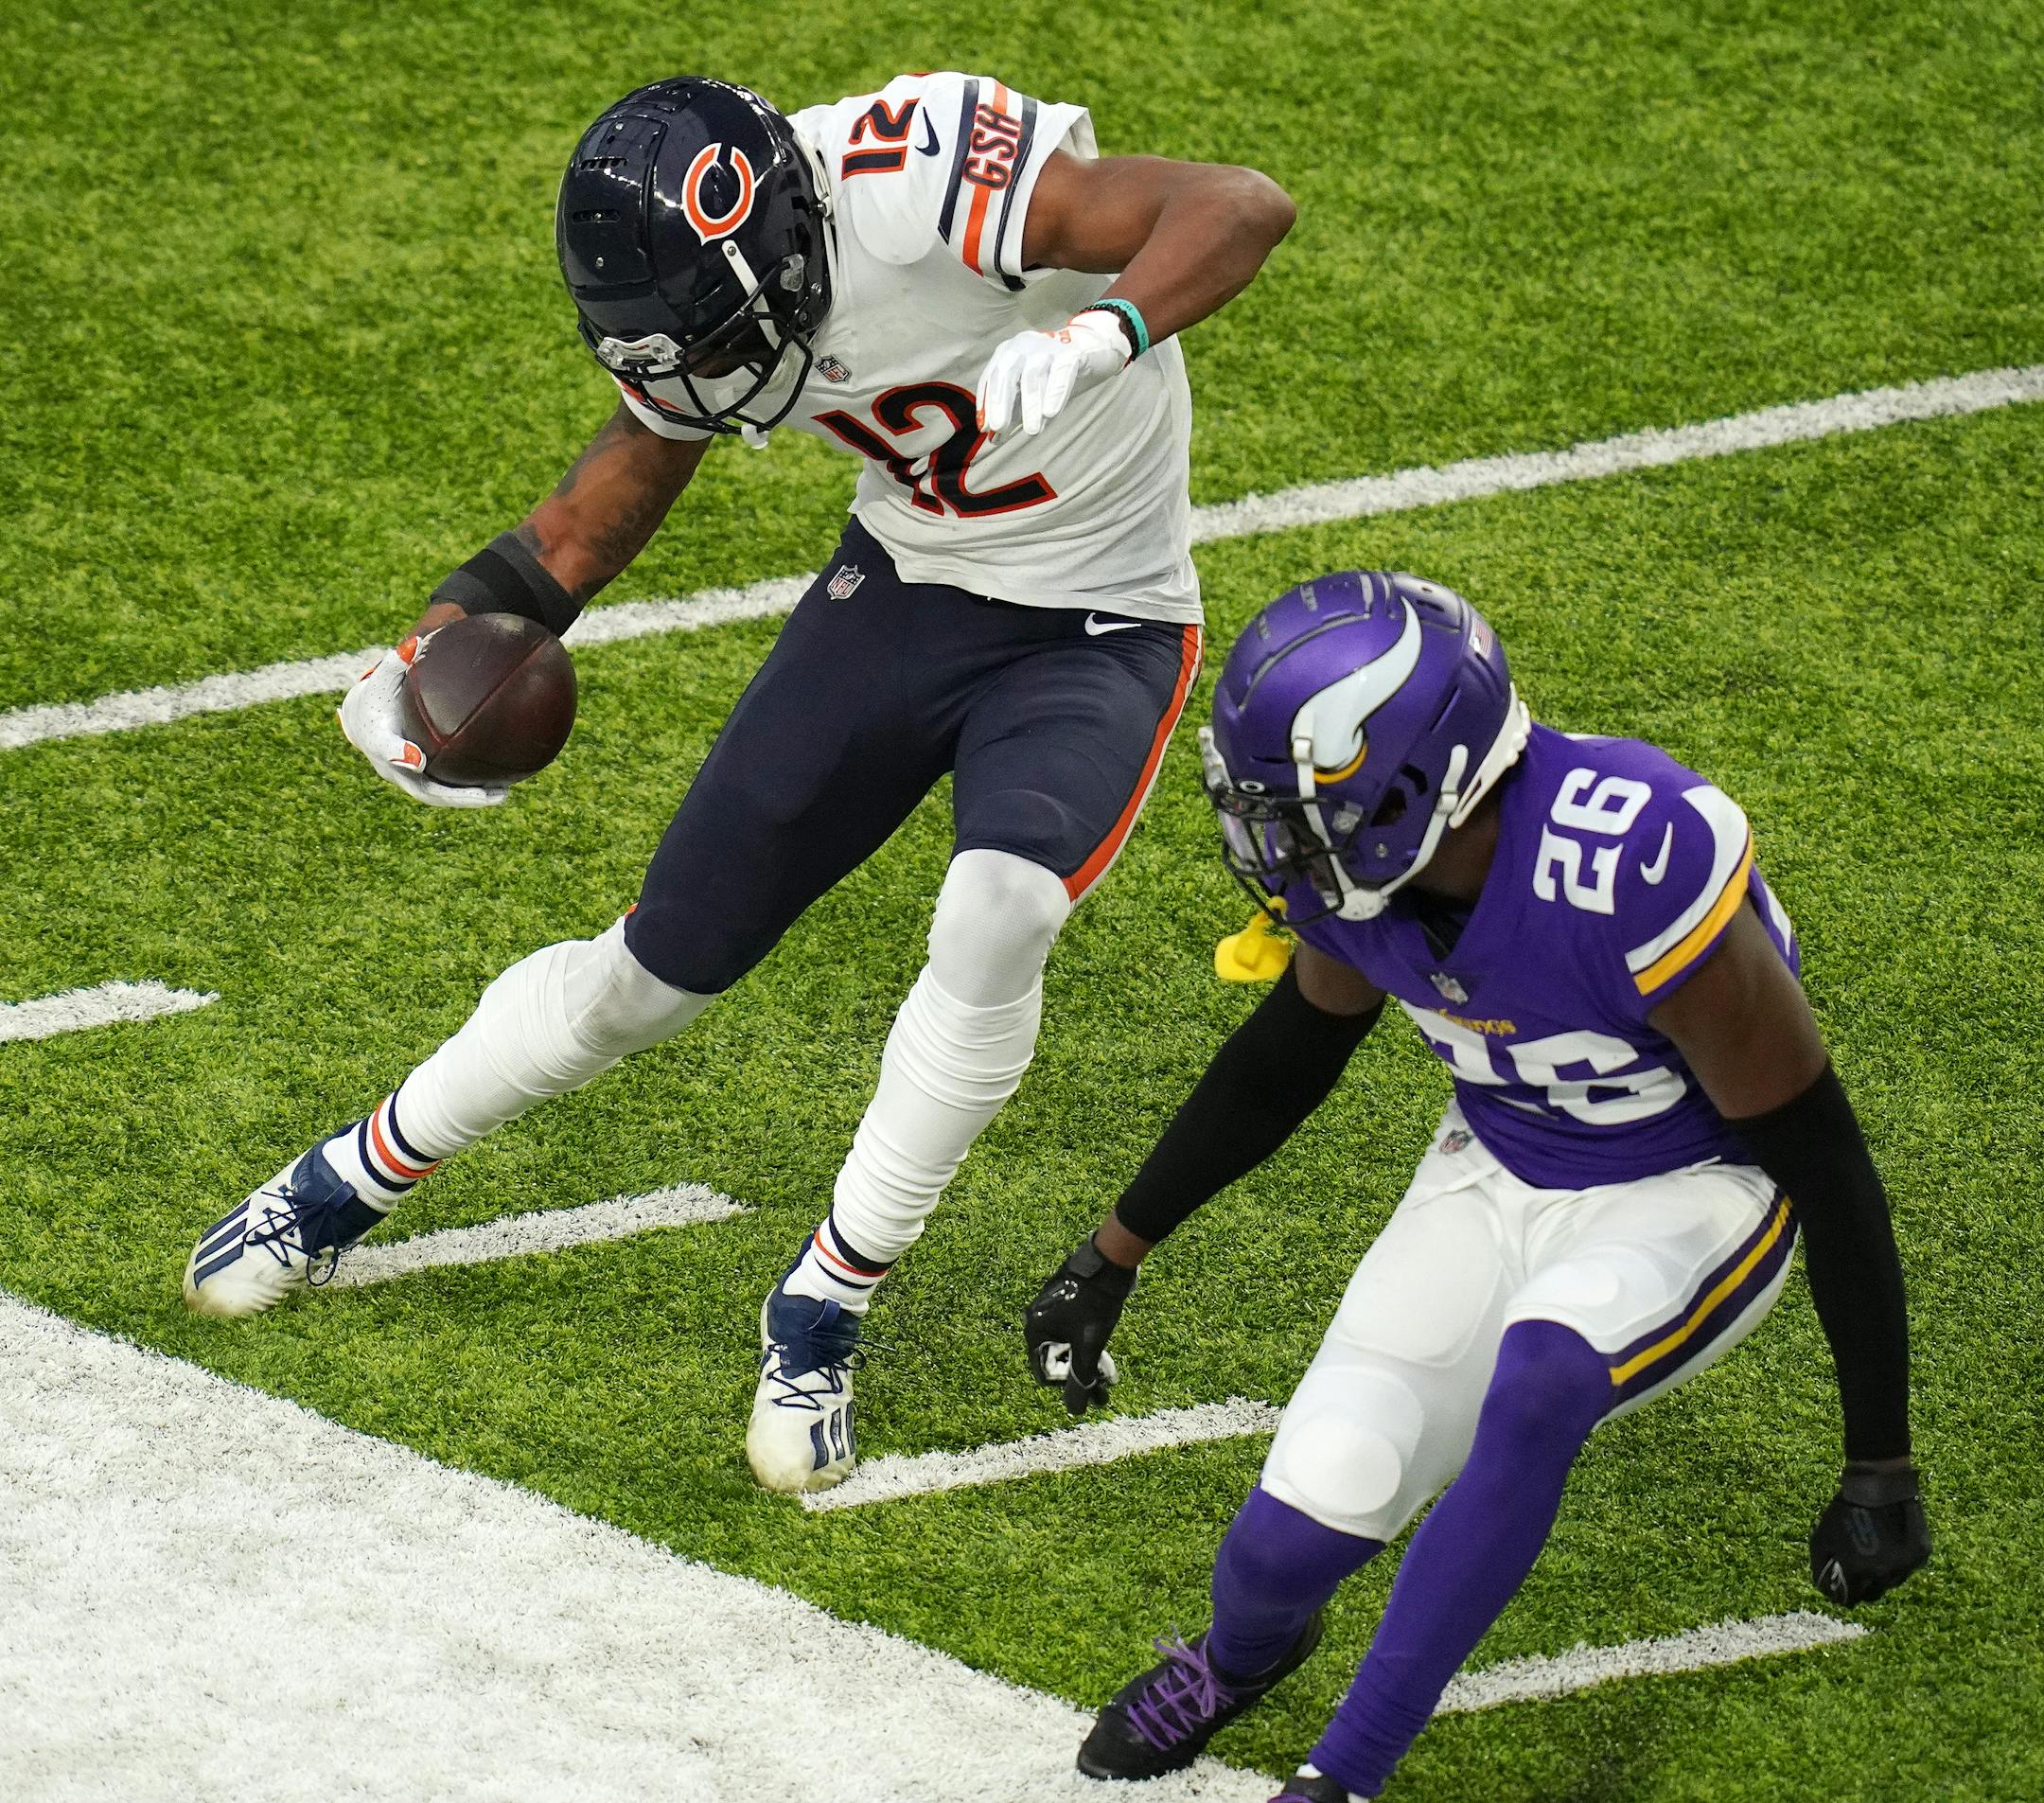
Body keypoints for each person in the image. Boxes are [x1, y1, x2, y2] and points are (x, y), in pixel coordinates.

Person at [182, 72, 1295, 1495]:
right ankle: (350, 1175)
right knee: (655, 970)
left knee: (999, 910)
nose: (706, 381)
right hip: (904, 588)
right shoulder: (701, 288)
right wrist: (428, 655)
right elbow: (612, 491)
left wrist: (1102, 324)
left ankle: (825, 1300)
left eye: (716, 342)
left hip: (1098, 622)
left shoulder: (926, 180)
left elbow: (1239, 205)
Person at [1022, 571, 1929, 1796]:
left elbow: (1823, 1152)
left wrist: (1880, 1458)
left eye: (1302, 810)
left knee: (1543, 1376)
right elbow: (1287, 1055)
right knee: (1289, 1534)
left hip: (1697, 1185)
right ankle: (1244, 1658)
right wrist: (1114, 1248)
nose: (1277, 845)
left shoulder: (1633, 860)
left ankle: (1345, 1769)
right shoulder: (1362, 877)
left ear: (1416, 787)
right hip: (1494, 1160)